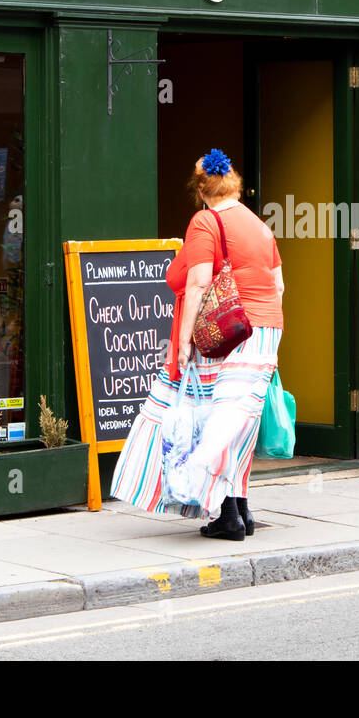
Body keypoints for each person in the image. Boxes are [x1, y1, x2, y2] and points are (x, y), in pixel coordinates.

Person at [111, 149, 284, 540]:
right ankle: (238, 511)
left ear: (200, 191)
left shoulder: (206, 220)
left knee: (212, 417)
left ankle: (222, 508)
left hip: (223, 333)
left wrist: (187, 340)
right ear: (233, 184)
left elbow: (199, 282)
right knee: (239, 421)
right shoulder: (259, 225)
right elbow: (278, 285)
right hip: (265, 328)